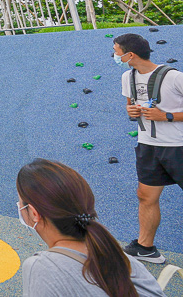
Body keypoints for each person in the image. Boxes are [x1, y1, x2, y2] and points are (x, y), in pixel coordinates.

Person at [17, 158, 165, 297]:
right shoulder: (113, 253)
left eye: (19, 202)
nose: (18, 207)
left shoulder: (42, 268)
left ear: (34, 213)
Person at [116, 32, 183, 264]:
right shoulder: (128, 76)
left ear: (129, 54)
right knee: (145, 196)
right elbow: (130, 105)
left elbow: (167, 114)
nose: (115, 55)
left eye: (116, 51)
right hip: (148, 146)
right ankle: (145, 247)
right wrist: (131, 111)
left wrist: (167, 116)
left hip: (178, 146)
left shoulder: (174, 77)